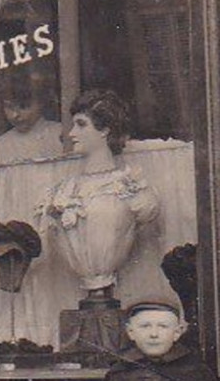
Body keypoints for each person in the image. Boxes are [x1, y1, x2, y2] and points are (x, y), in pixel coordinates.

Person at [37, 89, 160, 304]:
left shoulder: (131, 187)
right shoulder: (64, 191)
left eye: (81, 124)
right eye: (73, 125)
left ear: (104, 129)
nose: (71, 133)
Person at [0, 76, 65, 164]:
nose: (15, 115)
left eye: (23, 107)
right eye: (9, 107)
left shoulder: (60, 134)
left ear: (40, 104)